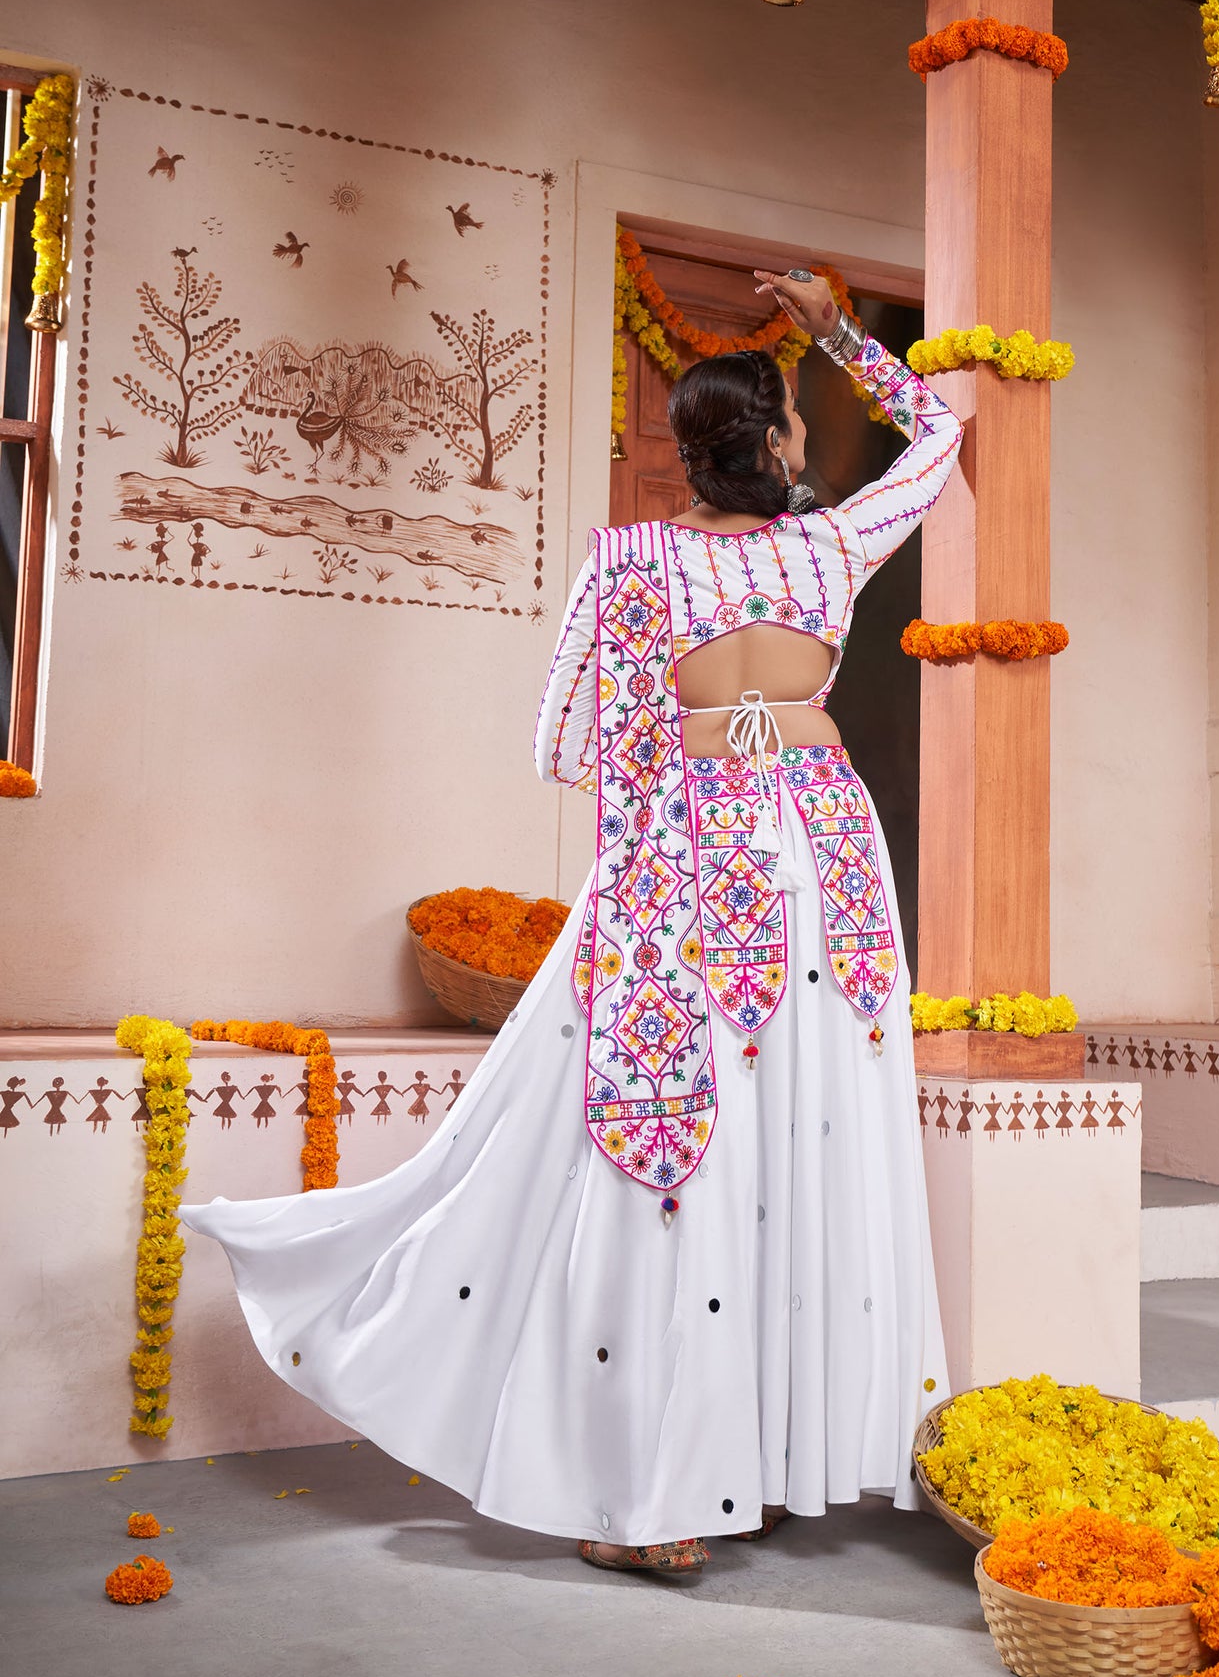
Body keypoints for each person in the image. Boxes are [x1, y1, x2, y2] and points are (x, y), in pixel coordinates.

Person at [181, 268, 963, 1577]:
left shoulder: (629, 562)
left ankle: (664, 1492)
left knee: (673, 1166)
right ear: (777, 445)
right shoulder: (835, 547)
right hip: (823, 867)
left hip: (688, 866)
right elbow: (938, 434)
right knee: (797, 1144)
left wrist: (683, 742)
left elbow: (561, 743)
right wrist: (835, 330)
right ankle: (765, 1464)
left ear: (689, 457)